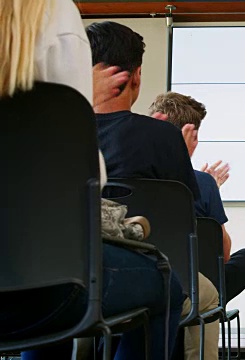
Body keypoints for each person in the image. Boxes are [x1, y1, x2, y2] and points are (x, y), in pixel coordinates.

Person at [0, 2, 183, 359]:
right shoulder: (51, 14)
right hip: (43, 286)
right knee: (166, 283)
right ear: (134, 76)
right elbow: (86, 180)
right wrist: (85, 109)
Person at [86, 20, 220, 359]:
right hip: (130, 272)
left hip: (54, 274)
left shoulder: (54, 131)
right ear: (135, 76)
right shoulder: (162, 138)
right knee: (179, 290)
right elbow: (183, 218)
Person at [148, 91, 245, 360]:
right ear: (190, 135)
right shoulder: (203, 183)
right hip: (191, 283)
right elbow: (223, 251)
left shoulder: (133, 170)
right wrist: (212, 191)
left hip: (142, 273)